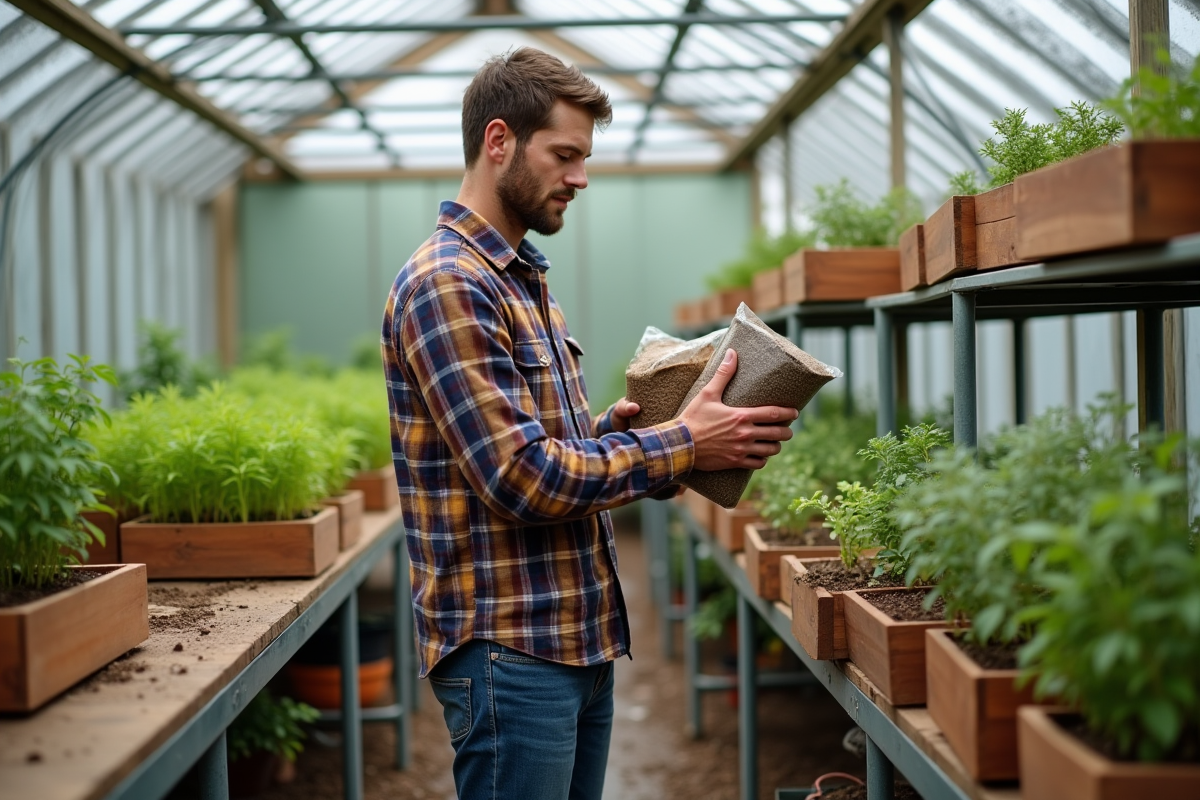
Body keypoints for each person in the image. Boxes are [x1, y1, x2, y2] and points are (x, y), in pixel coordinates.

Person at [380, 47, 796, 800]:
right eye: (564, 155)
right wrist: (682, 443)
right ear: (499, 141)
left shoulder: (521, 279)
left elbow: (541, 446)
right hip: (512, 651)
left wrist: (624, 431)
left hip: (573, 636)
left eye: (585, 158)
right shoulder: (449, 284)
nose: (580, 178)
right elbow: (520, 478)